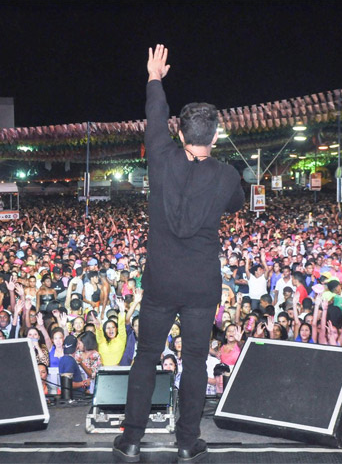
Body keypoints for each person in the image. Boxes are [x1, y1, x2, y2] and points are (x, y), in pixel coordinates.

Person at [114, 45, 244, 464]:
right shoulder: (226, 176)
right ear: (216, 136)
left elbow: (155, 116)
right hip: (202, 285)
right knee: (194, 361)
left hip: (161, 282)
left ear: (180, 134)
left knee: (147, 356)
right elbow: (237, 205)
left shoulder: (160, 157)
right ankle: (187, 442)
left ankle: (131, 440)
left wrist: (155, 77)